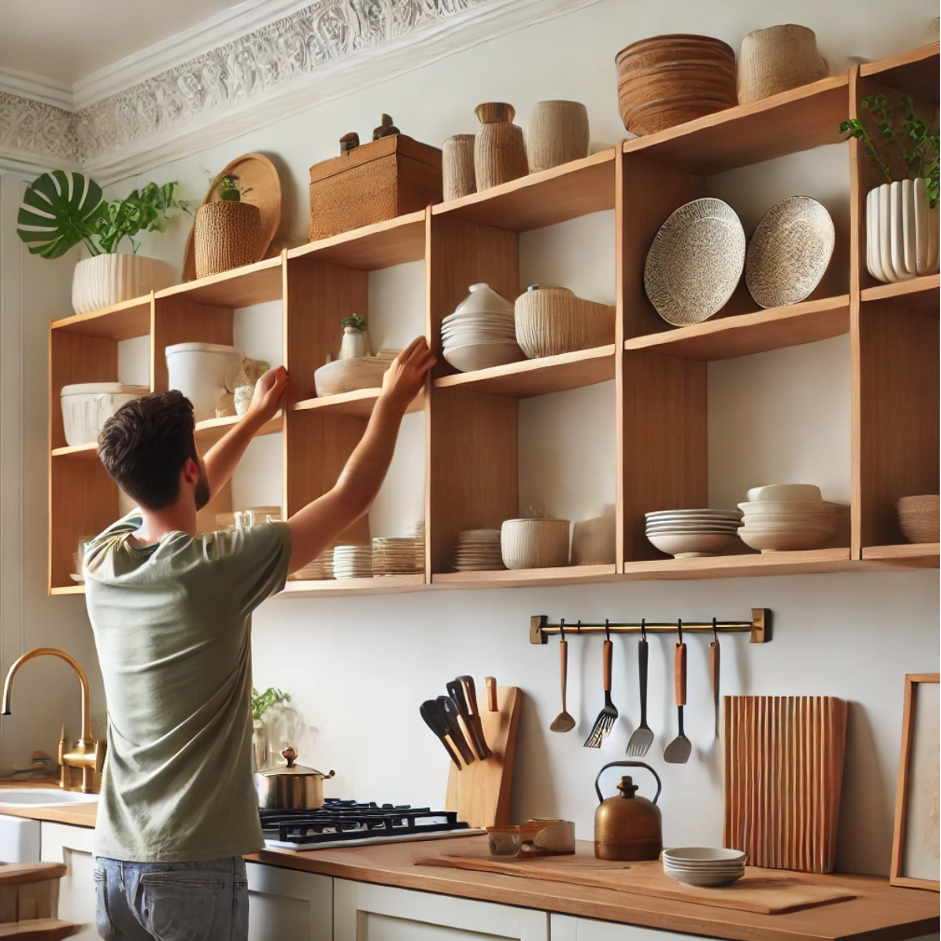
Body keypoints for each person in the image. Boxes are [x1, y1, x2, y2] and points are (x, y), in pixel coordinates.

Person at [85, 337, 434, 941]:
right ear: (187, 467)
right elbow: (350, 498)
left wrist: (252, 420)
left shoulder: (103, 558)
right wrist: (391, 400)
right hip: (192, 864)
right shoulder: (214, 569)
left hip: (114, 864)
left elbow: (188, 493)